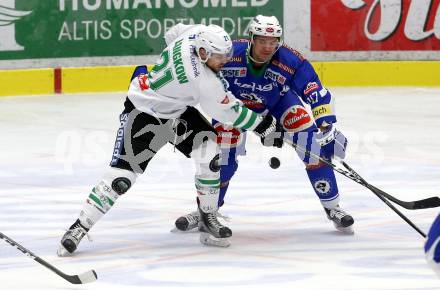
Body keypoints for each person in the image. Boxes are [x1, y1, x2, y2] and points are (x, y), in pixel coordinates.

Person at [57, 23, 283, 255]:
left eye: (227, 55)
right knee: (121, 179)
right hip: (144, 112)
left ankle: (207, 215)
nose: (224, 61)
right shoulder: (202, 80)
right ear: (203, 53)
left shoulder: (193, 35)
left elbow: (172, 33)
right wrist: (265, 126)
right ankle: (79, 227)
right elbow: (229, 112)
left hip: (176, 111)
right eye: (218, 57)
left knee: (212, 154)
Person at [174, 15, 354, 239]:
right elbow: (200, 74)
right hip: (233, 109)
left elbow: (314, 90)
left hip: (278, 104)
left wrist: (326, 126)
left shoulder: (291, 60)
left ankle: (333, 207)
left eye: (273, 41)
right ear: (251, 39)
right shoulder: (229, 54)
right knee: (222, 157)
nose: (268, 46)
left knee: (313, 146)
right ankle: (207, 212)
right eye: (262, 41)